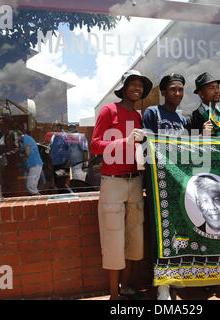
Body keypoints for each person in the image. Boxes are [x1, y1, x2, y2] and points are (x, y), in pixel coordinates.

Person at [91, 69, 152, 300]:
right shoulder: (109, 110)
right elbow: (95, 145)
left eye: (141, 85)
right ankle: (113, 294)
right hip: (113, 182)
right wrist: (125, 140)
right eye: (133, 84)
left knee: (134, 238)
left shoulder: (138, 116)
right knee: (113, 237)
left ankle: (125, 287)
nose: (137, 88)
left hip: (135, 180)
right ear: (124, 87)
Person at [142, 73, 187, 301]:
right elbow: (146, 147)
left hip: (177, 185)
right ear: (163, 92)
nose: (177, 93)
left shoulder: (182, 119)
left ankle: (174, 275)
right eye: (173, 89)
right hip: (158, 184)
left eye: (180, 90)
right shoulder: (152, 113)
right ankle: (162, 285)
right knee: (160, 233)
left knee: (177, 231)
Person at [186, 72, 220, 137]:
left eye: (217, 87)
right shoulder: (193, 118)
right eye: (212, 88)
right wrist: (202, 135)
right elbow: (192, 145)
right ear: (201, 94)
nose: (217, 91)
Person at [18, 130, 43, 195]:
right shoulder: (22, 141)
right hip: (29, 165)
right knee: (30, 187)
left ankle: (38, 197)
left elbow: (27, 152)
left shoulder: (26, 138)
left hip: (34, 164)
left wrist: (23, 158)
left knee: (30, 186)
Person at [49, 122, 70, 192]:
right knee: (57, 182)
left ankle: (67, 198)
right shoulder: (53, 136)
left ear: (59, 127)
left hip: (63, 163)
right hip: (55, 163)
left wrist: (67, 163)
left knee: (62, 182)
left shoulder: (65, 136)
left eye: (53, 126)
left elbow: (69, 149)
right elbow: (51, 148)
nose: (52, 127)